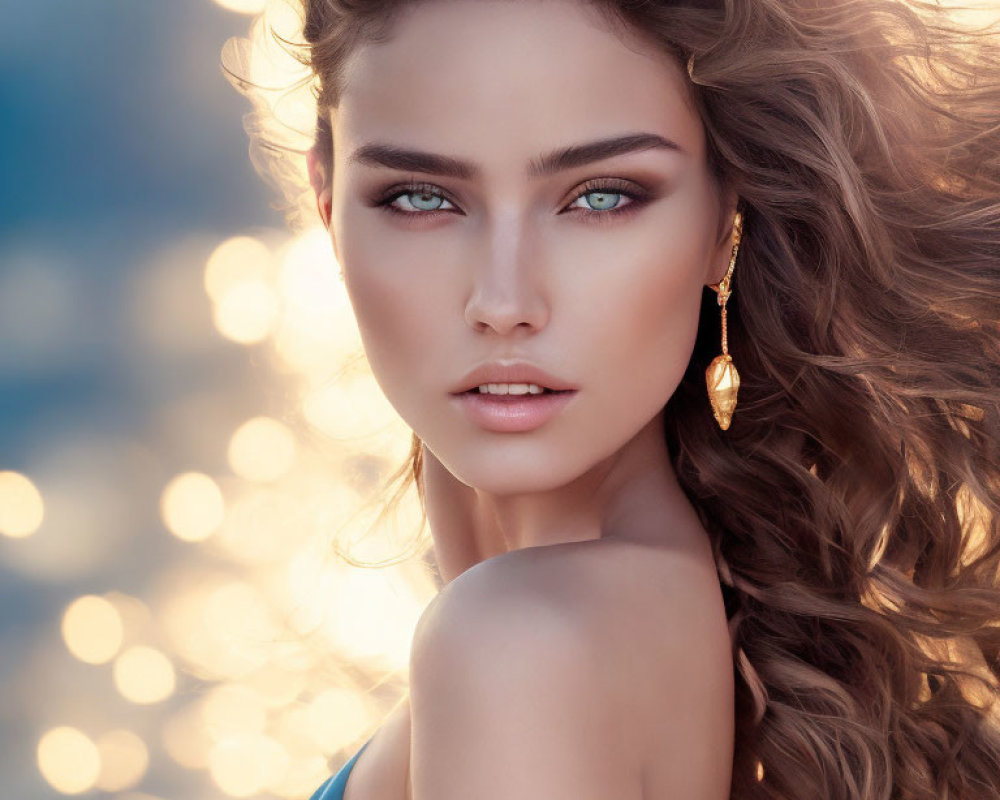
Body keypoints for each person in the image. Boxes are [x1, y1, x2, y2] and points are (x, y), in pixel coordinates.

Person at [225, 1, 1000, 798]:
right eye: (422, 198)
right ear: (327, 198)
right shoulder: (651, 612)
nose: (503, 300)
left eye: (601, 197)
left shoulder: (520, 647)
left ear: (723, 218)